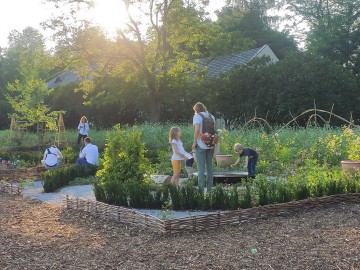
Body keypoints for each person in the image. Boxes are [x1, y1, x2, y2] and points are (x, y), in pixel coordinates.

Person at [192, 102, 215, 191]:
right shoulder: (211, 116)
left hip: (201, 144)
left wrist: (194, 143)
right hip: (210, 143)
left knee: (201, 168)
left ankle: (201, 190)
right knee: (209, 167)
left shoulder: (197, 116)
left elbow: (197, 130)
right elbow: (213, 131)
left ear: (196, 110)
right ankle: (210, 189)